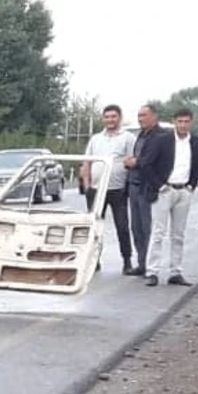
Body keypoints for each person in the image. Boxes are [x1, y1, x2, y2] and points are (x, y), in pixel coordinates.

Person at [142, 108, 198, 286]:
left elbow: (197, 165)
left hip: (183, 190)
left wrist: (191, 185)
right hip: (164, 190)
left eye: (186, 121)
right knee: (158, 233)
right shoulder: (162, 140)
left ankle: (175, 272)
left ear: (191, 122)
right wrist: (160, 185)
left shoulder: (196, 142)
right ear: (174, 122)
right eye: (180, 121)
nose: (183, 125)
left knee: (178, 234)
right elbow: (147, 164)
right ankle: (152, 271)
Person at [82, 104, 137, 273]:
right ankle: (94, 261)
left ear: (119, 118)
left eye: (113, 116)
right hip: (96, 189)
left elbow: (133, 160)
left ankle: (127, 261)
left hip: (118, 189)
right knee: (94, 227)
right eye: (107, 117)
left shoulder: (128, 138)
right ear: (103, 119)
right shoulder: (96, 139)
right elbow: (87, 162)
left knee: (122, 225)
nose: (110, 120)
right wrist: (86, 185)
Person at [123, 105, 174, 276]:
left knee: (148, 228)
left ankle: (151, 267)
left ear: (154, 116)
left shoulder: (162, 136)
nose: (140, 118)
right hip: (133, 185)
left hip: (148, 187)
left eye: (144, 115)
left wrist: (136, 162)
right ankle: (142, 263)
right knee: (136, 227)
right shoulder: (140, 135)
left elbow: (151, 160)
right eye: (139, 115)